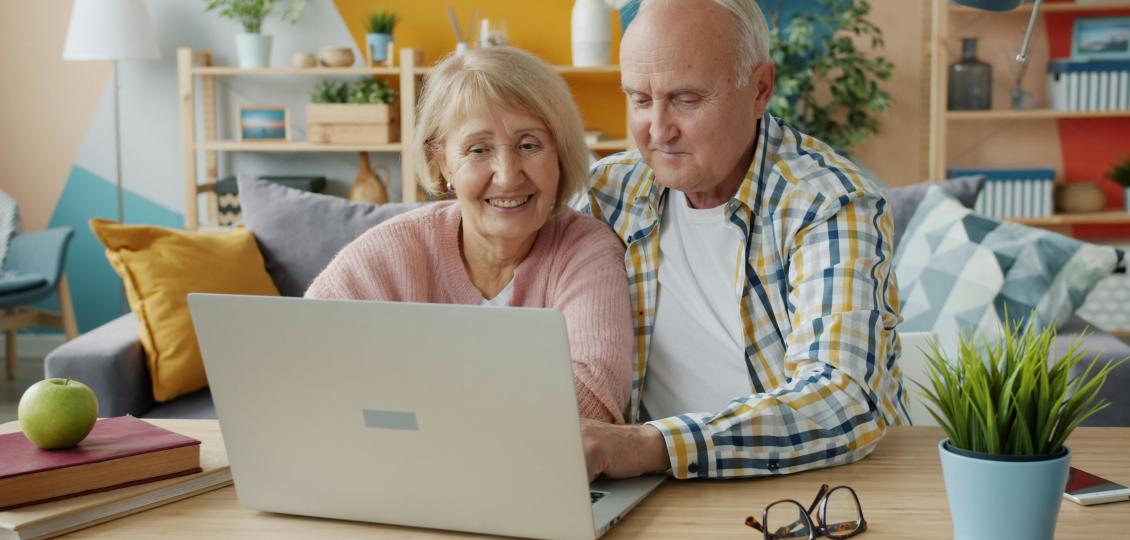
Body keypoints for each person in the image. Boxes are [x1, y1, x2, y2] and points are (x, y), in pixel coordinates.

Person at [575, 0, 907, 480]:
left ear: (760, 89)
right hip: (656, 491)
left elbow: (843, 400)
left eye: (687, 99)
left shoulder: (828, 202)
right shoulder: (610, 193)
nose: (658, 130)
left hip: (824, 487)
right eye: (640, 99)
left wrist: (652, 444)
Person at [306, 46, 633, 424]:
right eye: (478, 150)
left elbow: (592, 404)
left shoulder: (587, 252)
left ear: (560, 155)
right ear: (441, 161)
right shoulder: (393, 250)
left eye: (529, 145)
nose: (508, 175)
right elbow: (306, 362)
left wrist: (411, 401)